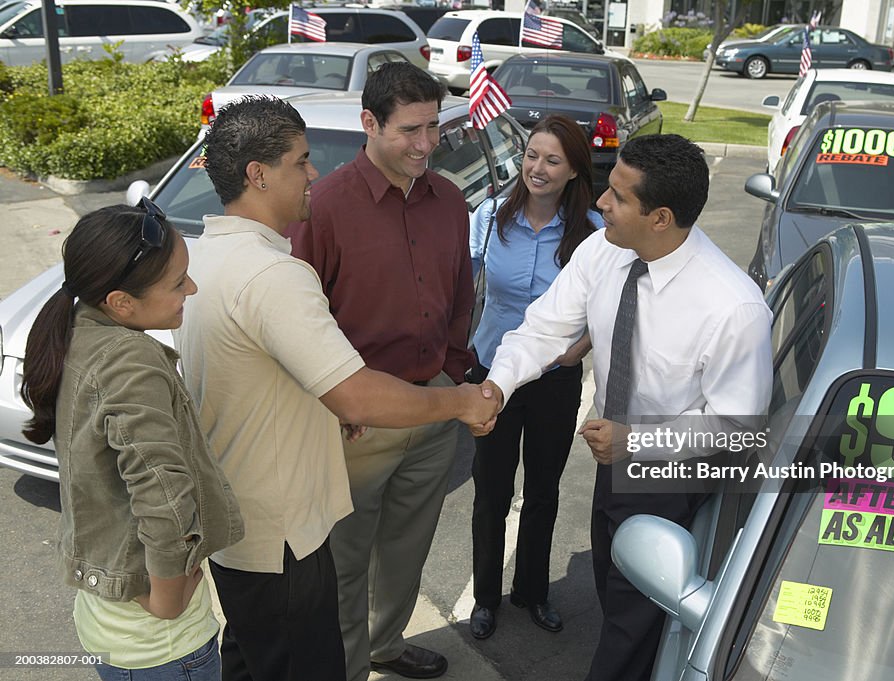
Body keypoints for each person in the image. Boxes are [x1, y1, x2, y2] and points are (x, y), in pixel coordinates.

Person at [177, 95, 498, 681]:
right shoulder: (275, 275)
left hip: (240, 531)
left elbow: (260, 379)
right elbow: (357, 394)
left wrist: (323, 407)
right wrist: (459, 402)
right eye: (300, 162)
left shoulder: (209, 258)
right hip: (283, 539)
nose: (312, 173)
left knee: (251, 664)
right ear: (258, 174)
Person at [477, 135, 773, 681]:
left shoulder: (733, 308)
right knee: (617, 593)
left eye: (616, 196)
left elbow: (739, 428)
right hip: (613, 464)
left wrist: (634, 439)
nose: (601, 205)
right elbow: (544, 327)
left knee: (632, 625)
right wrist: (498, 386)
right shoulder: (604, 250)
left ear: (660, 217)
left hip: (671, 478)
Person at [288, 62, 474, 681]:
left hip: (435, 407)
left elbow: (459, 297)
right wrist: (336, 405)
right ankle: (346, 669)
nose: (426, 144)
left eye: (434, 128)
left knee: (406, 550)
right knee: (344, 563)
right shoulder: (326, 206)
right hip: (359, 422)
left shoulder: (450, 201)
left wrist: (450, 374)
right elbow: (301, 316)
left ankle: (385, 648)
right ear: (369, 123)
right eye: (410, 130)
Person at [20, 202, 244, 680]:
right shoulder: (130, 361)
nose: (192, 288)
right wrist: (167, 597)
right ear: (121, 302)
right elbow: (162, 490)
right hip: (161, 645)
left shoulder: (80, 329)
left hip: (109, 624)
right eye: (177, 282)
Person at [467, 115, 601, 640]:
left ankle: (533, 592)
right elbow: (467, 288)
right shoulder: (490, 216)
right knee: (492, 491)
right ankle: (484, 599)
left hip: (554, 380)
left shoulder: (593, 233)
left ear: (572, 171)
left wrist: (579, 351)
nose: (536, 169)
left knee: (543, 490)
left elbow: (604, 306)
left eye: (551, 160)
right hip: (494, 375)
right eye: (531, 157)